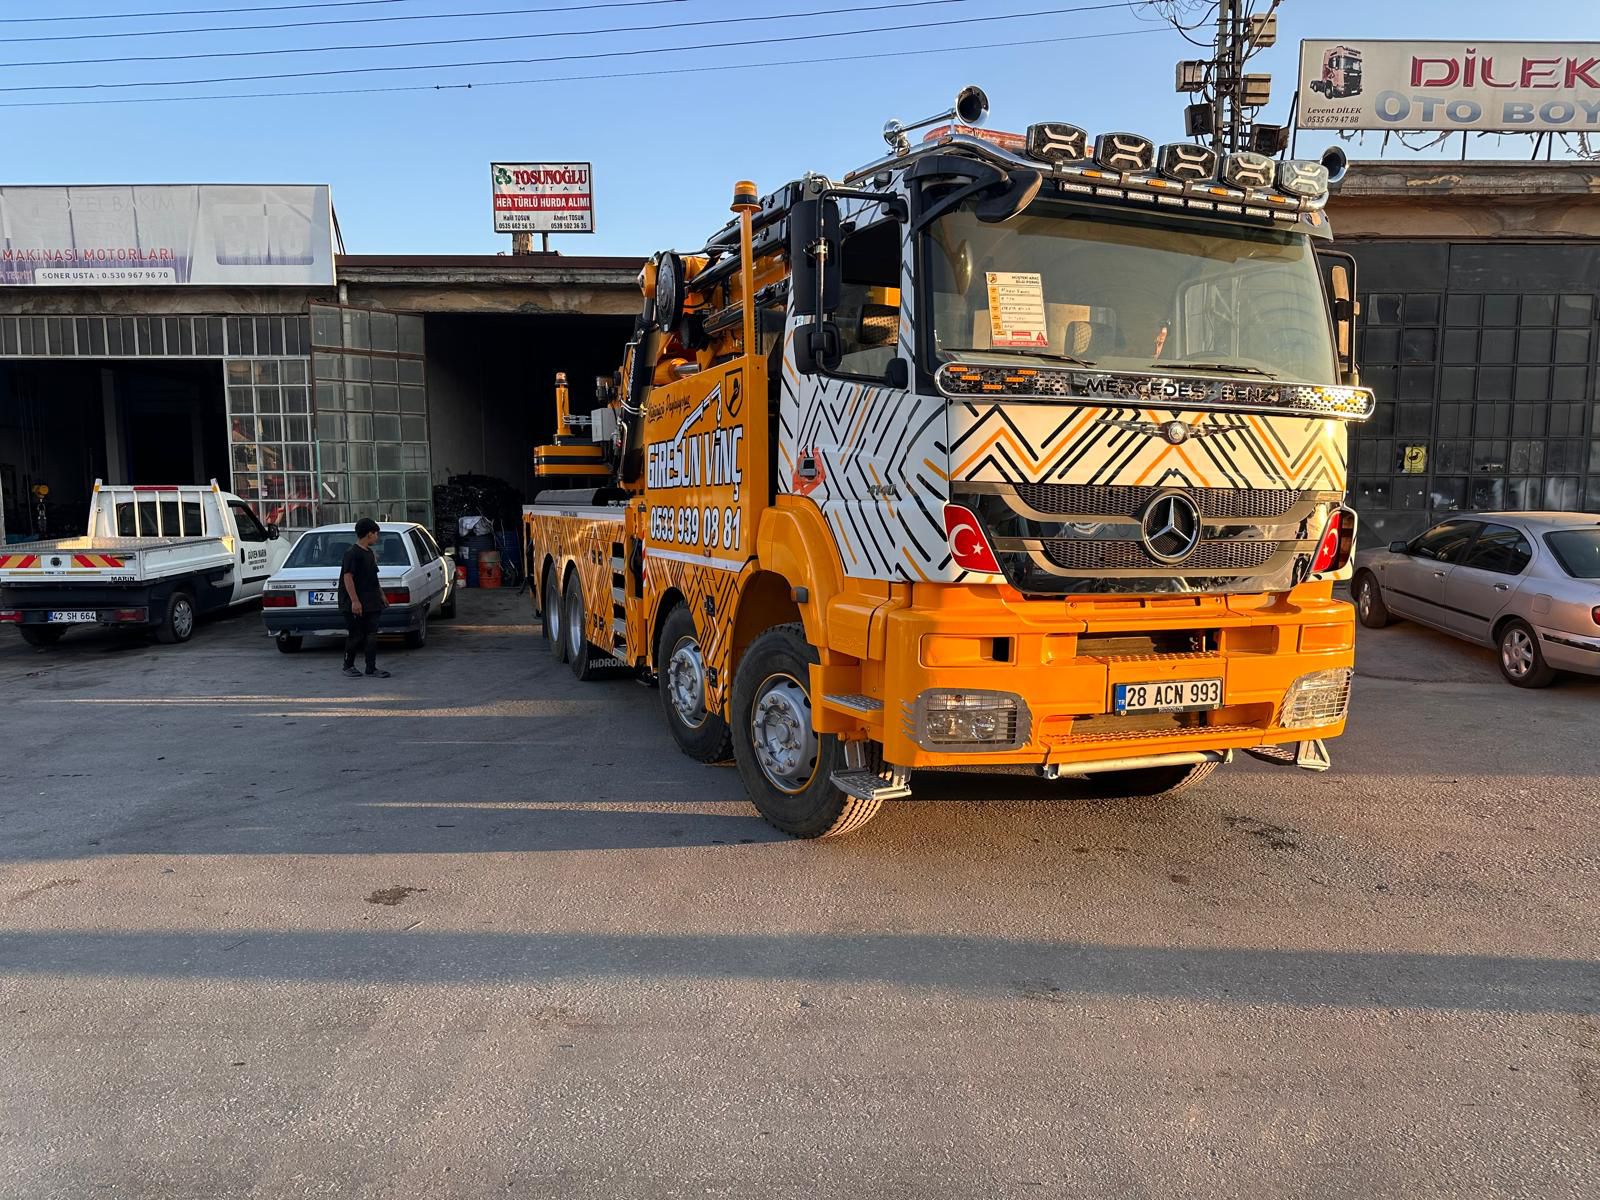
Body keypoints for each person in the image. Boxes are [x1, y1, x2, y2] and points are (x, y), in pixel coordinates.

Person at [339, 518, 390, 679]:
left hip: (372, 601)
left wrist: (381, 595)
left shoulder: (370, 553)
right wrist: (355, 601)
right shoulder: (352, 554)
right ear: (369, 534)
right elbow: (348, 577)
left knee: (371, 635)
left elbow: (374, 577)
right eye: (376, 534)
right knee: (356, 635)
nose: (377, 537)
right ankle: (348, 665)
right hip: (355, 603)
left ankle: (371, 667)